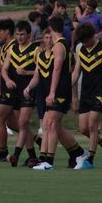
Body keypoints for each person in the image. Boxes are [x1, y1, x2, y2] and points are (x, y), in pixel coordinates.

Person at [26, 19, 88, 170]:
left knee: (51, 124)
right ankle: (78, 153)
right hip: (54, 91)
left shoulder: (60, 46)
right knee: (50, 124)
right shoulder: (56, 47)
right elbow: (39, 75)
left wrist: (53, 91)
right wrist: (28, 88)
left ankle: (49, 162)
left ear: (51, 29)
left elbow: (58, 69)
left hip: (59, 91)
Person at [72, 22, 102, 169]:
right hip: (86, 92)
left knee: (92, 126)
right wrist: (69, 91)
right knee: (83, 129)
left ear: (92, 36)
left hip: (101, 92)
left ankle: (89, 159)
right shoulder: (80, 50)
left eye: (87, 40)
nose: (85, 43)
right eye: (82, 41)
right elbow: (76, 72)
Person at [0, 20, 40, 167]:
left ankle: (15, 155)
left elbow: (40, 71)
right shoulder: (12, 50)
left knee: (22, 123)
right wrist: (7, 80)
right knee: (24, 126)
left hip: (29, 90)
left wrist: (26, 72)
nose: (20, 37)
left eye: (22, 34)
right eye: (17, 34)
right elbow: (3, 69)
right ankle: (33, 157)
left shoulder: (35, 50)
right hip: (16, 91)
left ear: (29, 35)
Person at [0, 18, 20, 161]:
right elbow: (0, 70)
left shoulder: (14, 46)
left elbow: (3, 68)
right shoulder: (4, 47)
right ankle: (37, 141)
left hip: (12, 87)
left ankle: (2, 152)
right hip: (5, 87)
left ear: (7, 31)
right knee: (13, 123)